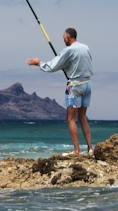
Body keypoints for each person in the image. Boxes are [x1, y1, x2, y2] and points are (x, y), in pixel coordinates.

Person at [27, 28, 94, 156]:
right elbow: (83, 64)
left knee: (70, 119)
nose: (63, 40)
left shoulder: (68, 50)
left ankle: (77, 151)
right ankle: (90, 148)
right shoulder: (85, 47)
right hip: (87, 84)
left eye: (64, 37)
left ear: (68, 36)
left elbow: (52, 66)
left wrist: (38, 63)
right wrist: (68, 66)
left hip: (75, 86)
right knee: (82, 117)